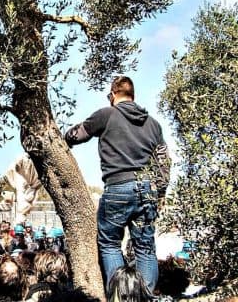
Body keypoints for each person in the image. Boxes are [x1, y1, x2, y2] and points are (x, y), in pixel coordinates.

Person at [65, 75, 169, 291]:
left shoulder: (107, 115)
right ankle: (145, 295)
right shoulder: (154, 124)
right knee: (145, 248)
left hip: (118, 187)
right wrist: (160, 193)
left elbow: (77, 135)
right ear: (133, 96)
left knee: (110, 244)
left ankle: (121, 295)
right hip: (147, 189)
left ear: (112, 95)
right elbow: (164, 161)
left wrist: (64, 138)